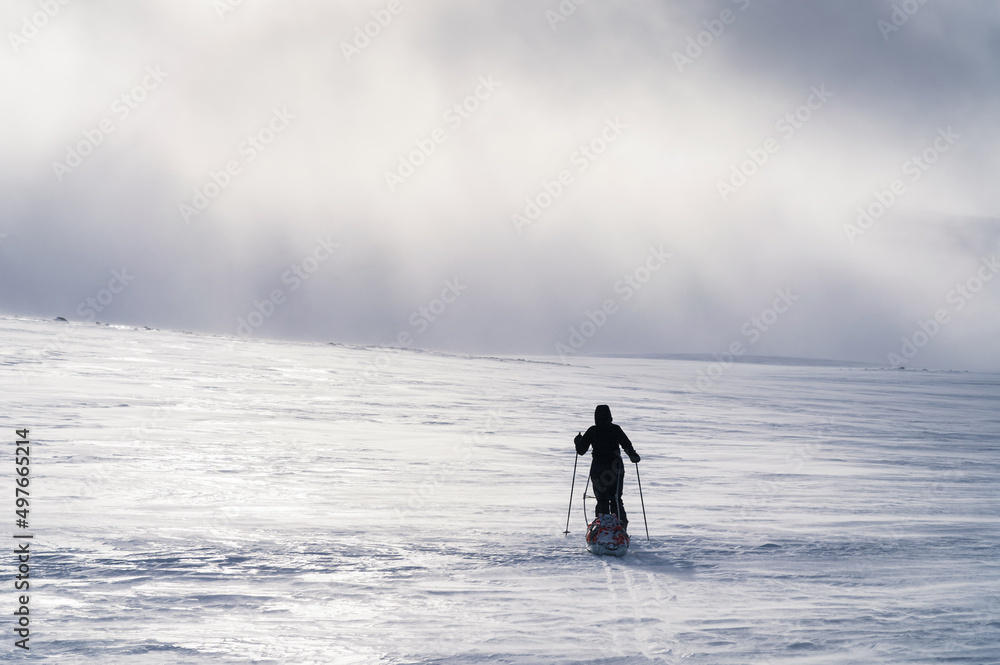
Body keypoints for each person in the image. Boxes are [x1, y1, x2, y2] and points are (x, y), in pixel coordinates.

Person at [575, 404, 640, 530]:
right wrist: (633, 455)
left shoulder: (592, 430)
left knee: (602, 499)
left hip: (598, 469)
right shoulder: (615, 429)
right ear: (610, 416)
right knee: (616, 498)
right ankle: (620, 526)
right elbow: (626, 444)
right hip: (616, 468)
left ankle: (602, 527)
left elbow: (581, 451)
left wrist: (578, 441)